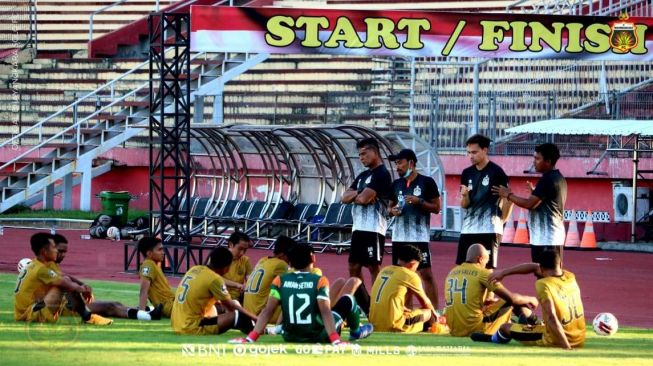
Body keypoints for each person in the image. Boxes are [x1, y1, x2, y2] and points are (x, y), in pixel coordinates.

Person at [229, 244, 373, 344]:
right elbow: (325, 311)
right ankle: (356, 331)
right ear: (313, 259)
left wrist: (251, 338)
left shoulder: (280, 280)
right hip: (318, 335)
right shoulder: (319, 280)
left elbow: (268, 310)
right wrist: (335, 339)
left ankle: (278, 329)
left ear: (290, 262)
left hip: (290, 335)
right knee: (349, 299)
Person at [471, 250, 585, 349]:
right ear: (560, 264)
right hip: (579, 337)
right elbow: (534, 267)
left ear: (541, 268)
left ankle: (492, 339)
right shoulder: (570, 276)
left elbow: (551, 317)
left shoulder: (543, 284)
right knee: (522, 311)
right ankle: (534, 323)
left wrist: (567, 347)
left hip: (556, 339)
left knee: (504, 328)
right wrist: (504, 273)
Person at [52, 234, 162, 321]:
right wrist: (80, 288)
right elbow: (62, 279)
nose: (63, 255)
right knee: (110, 307)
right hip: (64, 307)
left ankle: (145, 312)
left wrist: (82, 285)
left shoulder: (51, 265)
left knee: (116, 304)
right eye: (60, 251)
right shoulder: (44, 267)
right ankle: (147, 316)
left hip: (67, 303)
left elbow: (64, 275)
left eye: (64, 252)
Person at [14, 232, 112, 325]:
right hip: (31, 314)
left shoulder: (37, 264)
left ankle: (85, 315)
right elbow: (64, 282)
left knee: (65, 282)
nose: (56, 251)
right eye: (53, 248)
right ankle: (88, 318)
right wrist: (83, 289)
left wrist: (81, 284)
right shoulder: (41, 269)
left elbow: (62, 275)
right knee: (64, 285)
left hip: (28, 310)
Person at [492, 143, 567, 264]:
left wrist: (508, 195)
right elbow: (544, 204)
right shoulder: (557, 177)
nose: (534, 162)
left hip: (547, 239)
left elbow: (529, 204)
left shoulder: (547, 180)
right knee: (547, 276)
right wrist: (534, 192)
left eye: (537, 159)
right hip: (547, 238)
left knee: (546, 276)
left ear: (548, 161)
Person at [444, 244, 539, 337]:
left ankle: (523, 322)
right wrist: (530, 299)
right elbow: (512, 298)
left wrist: (487, 302)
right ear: (480, 259)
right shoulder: (482, 273)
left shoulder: (452, 272)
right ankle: (537, 324)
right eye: (486, 261)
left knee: (502, 303)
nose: (486, 265)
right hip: (474, 328)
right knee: (512, 300)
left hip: (454, 330)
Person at [388, 148, 441, 308]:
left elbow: (437, 207)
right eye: (396, 163)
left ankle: (434, 314)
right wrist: (392, 211)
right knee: (401, 276)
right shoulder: (396, 184)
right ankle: (406, 311)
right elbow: (389, 208)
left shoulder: (427, 182)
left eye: (400, 163)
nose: (397, 166)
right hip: (399, 237)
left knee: (426, 274)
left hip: (419, 238)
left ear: (411, 163)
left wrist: (420, 202)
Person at [341, 137, 393, 285]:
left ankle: (376, 302)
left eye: (364, 153)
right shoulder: (363, 176)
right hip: (358, 228)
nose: (361, 158)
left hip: (374, 228)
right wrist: (360, 193)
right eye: (359, 155)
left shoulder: (382, 174)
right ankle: (363, 302)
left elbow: (363, 200)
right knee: (353, 267)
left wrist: (358, 195)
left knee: (373, 266)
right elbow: (344, 198)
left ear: (375, 152)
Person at [171, 247, 257, 335]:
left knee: (218, 307)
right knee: (239, 316)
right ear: (226, 267)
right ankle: (258, 331)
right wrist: (255, 318)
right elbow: (231, 307)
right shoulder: (215, 279)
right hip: (191, 326)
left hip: (177, 323)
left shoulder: (194, 269)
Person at [458, 134, 512, 269]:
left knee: (486, 272)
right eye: (468, 153)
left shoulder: (497, 172)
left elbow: (507, 199)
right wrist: (464, 196)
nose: (471, 156)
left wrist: (501, 222)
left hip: (489, 229)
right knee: (464, 268)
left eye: (474, 152)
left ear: (485, 150)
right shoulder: (466, 173)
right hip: (468, 230)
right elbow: (465, 205)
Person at [369, 245, 438, 333]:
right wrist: (436, 316)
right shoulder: (410, 275)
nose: (415, 270)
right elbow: (426, 303)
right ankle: (432, 328)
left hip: (374, 324)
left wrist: (401, 307)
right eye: (416, 268)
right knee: (429, 313)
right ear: (412, 264)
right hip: (393, 325)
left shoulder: (384, 270)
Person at [243, 235, 295, 322]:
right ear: (282, 254)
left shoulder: (262, 260)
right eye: (290, 255)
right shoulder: (281, 264)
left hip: (249, 313)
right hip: (260, 314)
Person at [138, 237, 175, 318]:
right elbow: (144, 290)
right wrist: (141, 313)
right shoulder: (148, 264)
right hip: (171, 307)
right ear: (149, 254)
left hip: (174, 304)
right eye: (159, 250)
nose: (163, 252)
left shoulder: (154, 265)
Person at [222, 232, 253, 303]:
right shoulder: (219, 257)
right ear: (230, 245)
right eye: (240, 249)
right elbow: (215, 278)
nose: (242, 253)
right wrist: (237, 285)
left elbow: (250, 279)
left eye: (245, 250)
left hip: (238, 299)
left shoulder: (245, 260)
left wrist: (247, 284)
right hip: (221, 298)